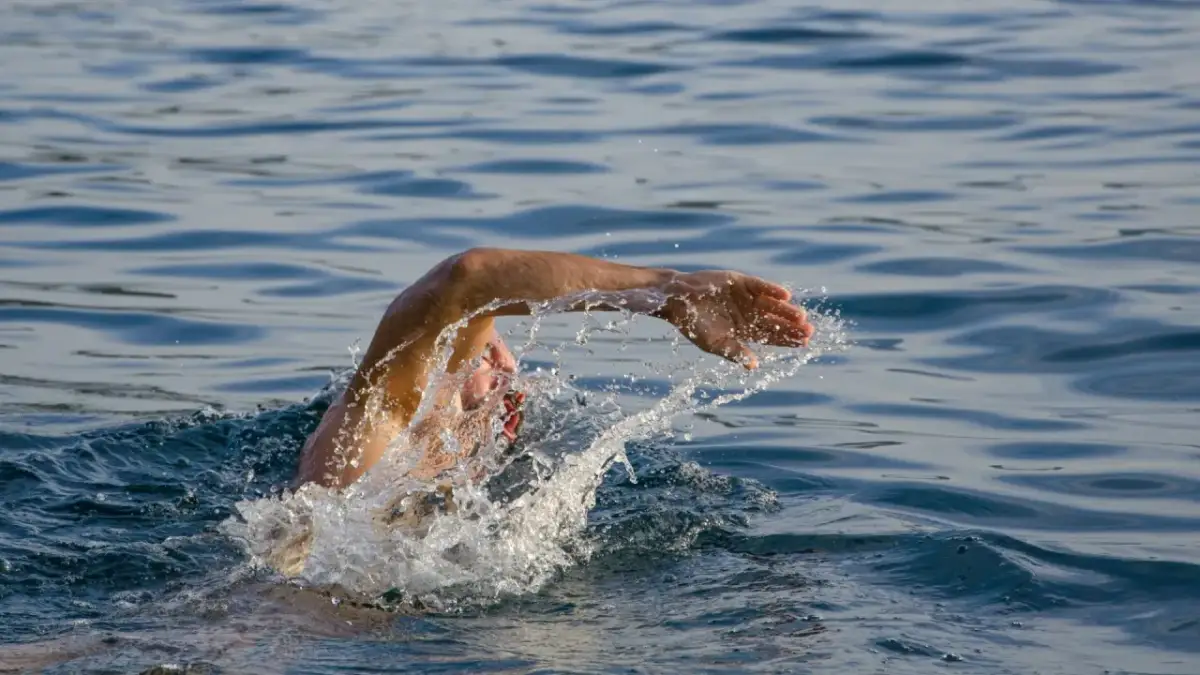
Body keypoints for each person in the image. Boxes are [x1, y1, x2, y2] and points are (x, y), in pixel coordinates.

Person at [295, 248, 815, 492]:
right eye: (478, 345)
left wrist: (671, 292)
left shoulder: (382, 449)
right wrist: (667, 292)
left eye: (485, 350)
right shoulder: (384, 443)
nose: (499, 358)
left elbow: (468, 287)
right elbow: (470, 286)